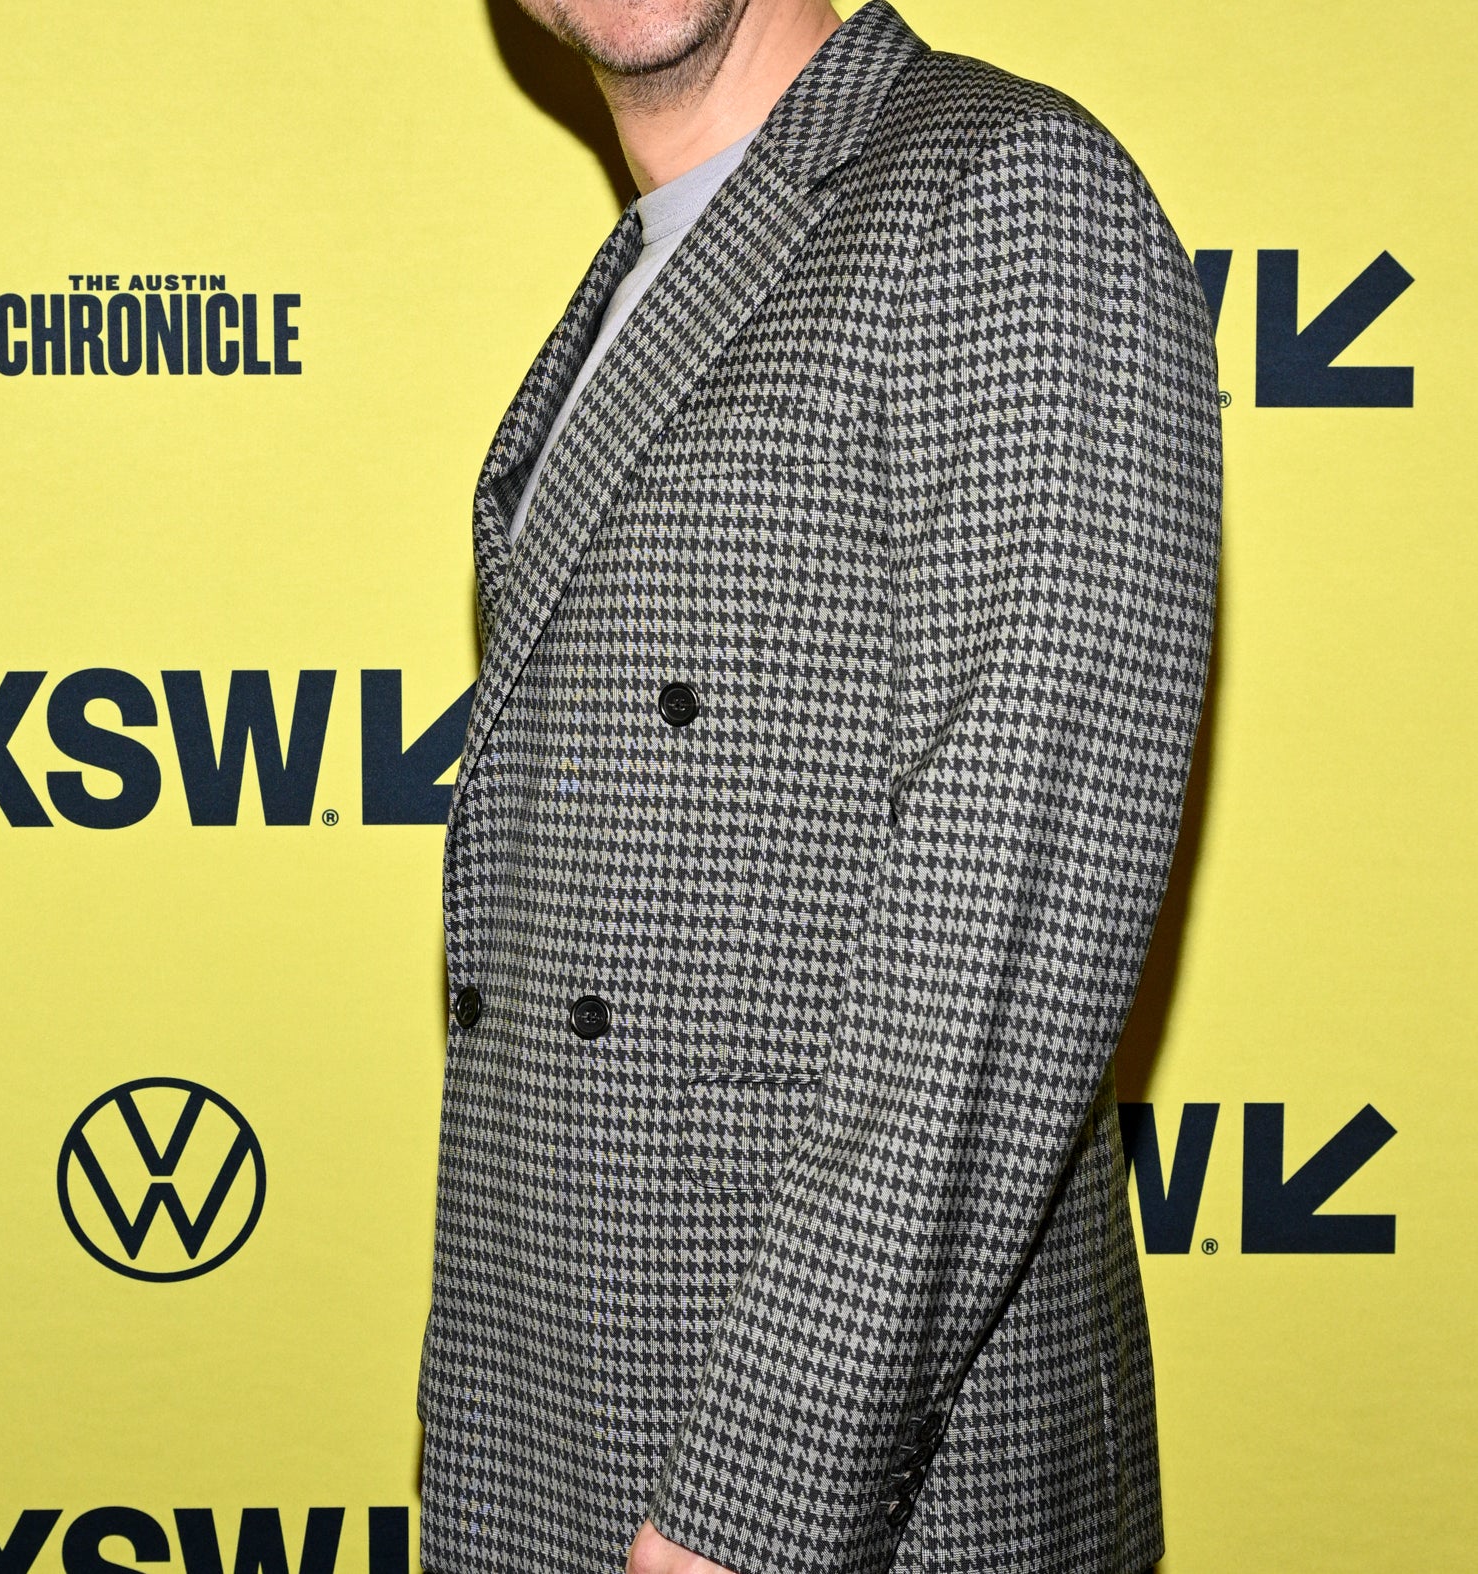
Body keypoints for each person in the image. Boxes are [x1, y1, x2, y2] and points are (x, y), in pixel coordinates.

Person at [417, 1, 1221, 1570]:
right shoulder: (647, 278)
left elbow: (1000, 944)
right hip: (567, 1424)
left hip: (844, 1492)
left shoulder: (1005, 196)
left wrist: (753, 1503)